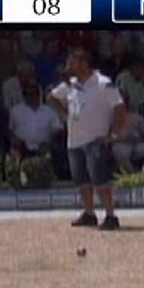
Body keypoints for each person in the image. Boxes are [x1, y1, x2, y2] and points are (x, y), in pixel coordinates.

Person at [49, 48, 127, 230]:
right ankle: (89, 213)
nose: (69, 66)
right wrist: (64, 112)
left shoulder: (103, 84)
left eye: (73, 62)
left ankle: (110, 215)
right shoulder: (71, 84)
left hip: (95, 139)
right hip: (74, 140)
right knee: (82, 180)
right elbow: (51, 97)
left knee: (100, 179)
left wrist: (114, 134)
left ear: (84, 63)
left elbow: (119, 108)